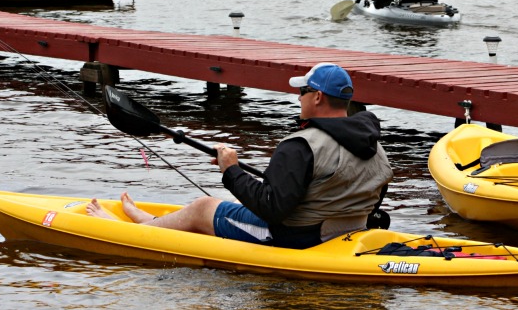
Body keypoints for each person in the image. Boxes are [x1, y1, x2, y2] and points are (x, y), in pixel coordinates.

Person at [87, 63, 394, 249]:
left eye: (302, 92)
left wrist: (231, 172)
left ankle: (126, 231)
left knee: (203, 207)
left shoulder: (300, 145)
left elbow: (273, 210)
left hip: (297, 237)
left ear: (317, 97)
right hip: (349, 229)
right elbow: (366, 196)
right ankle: (150, 221)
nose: (297, 97)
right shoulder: (374, 144)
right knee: (215, 207)